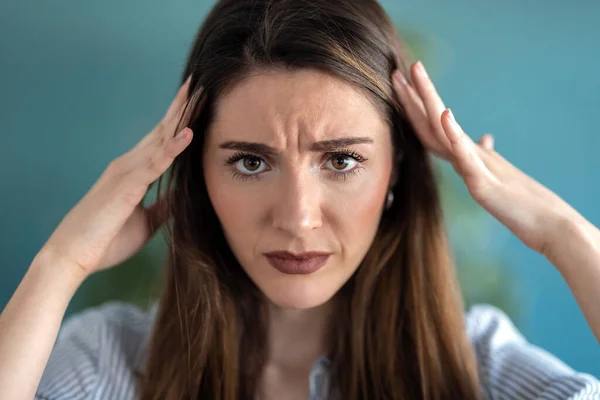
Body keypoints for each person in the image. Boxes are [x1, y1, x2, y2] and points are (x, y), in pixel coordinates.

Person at [1, 0, 599, 399]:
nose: (297, 217)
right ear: (196, 174)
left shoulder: (479, 366)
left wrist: (563, 233)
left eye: (341, 160)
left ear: (397, 171)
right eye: (251, 161)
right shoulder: (108, 361)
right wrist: (60, 265)